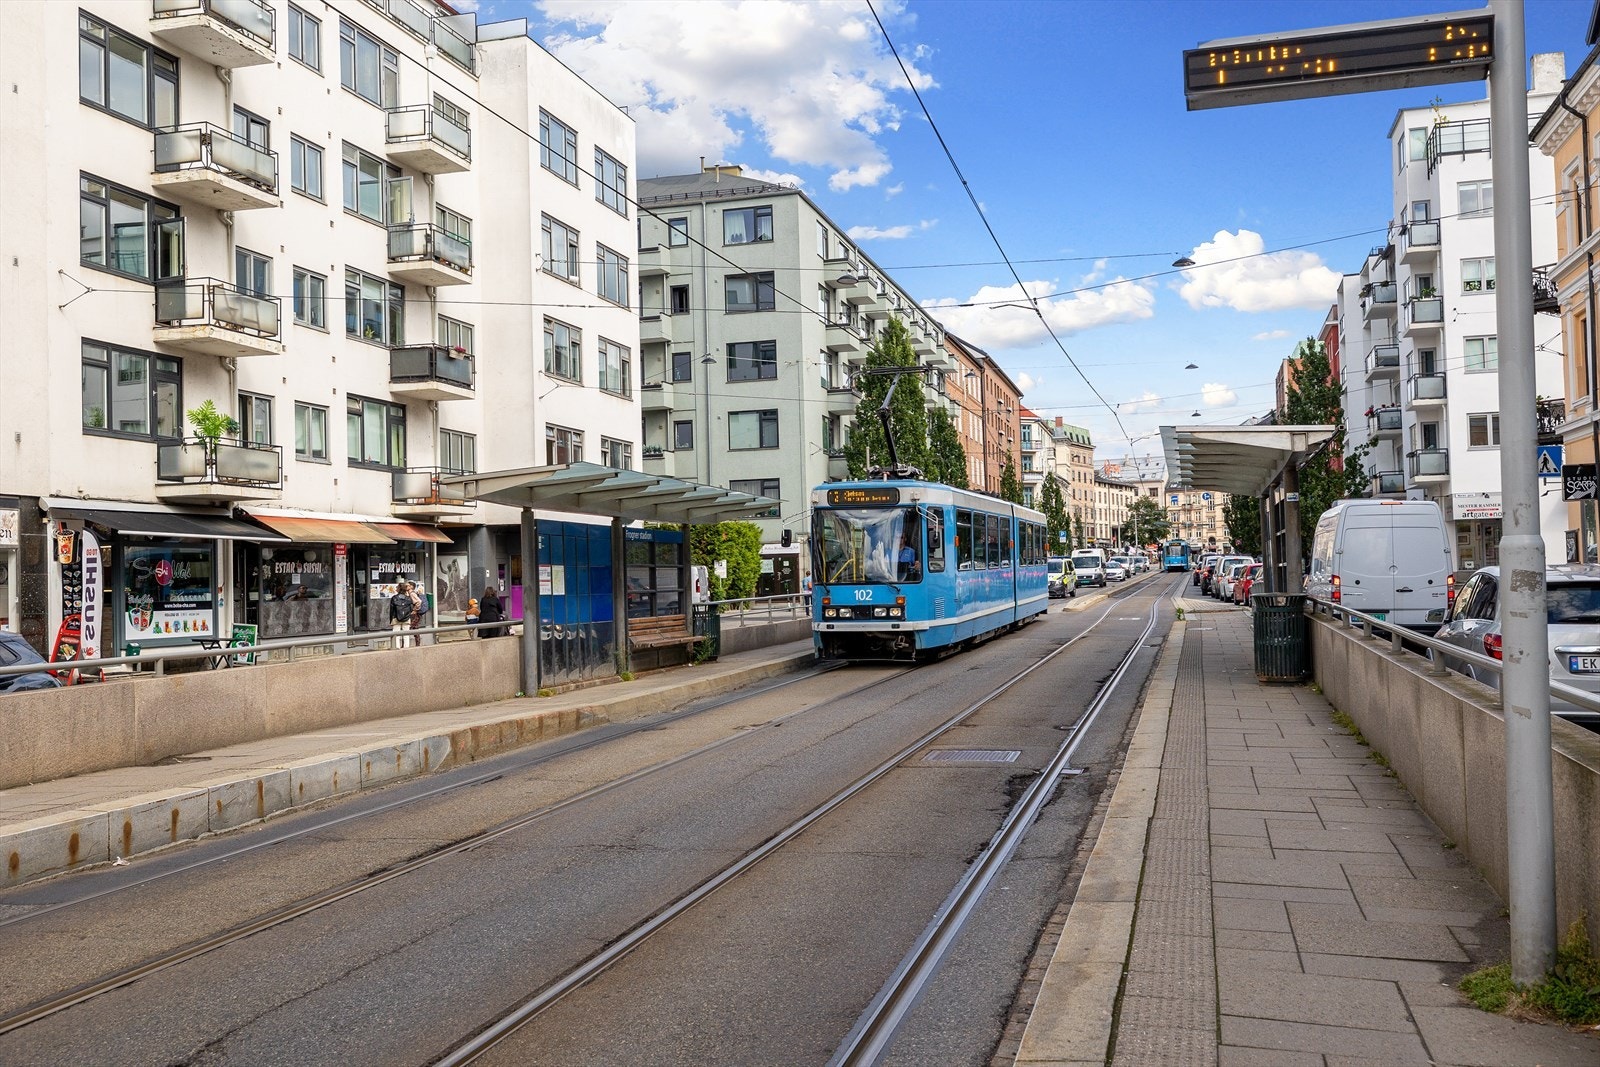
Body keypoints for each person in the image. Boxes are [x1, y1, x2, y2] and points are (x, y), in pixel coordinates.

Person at [390, 581, 416, 648]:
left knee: (396, 635)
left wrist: (391, 620)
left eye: (397, 587)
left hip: (396, 617)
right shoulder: (408, 598)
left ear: (399, 589)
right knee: (406, 635)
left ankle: (397, 648)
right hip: (406, 618)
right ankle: (406, 648)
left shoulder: (394, 598)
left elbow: (392, 610)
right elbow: (411, 608)